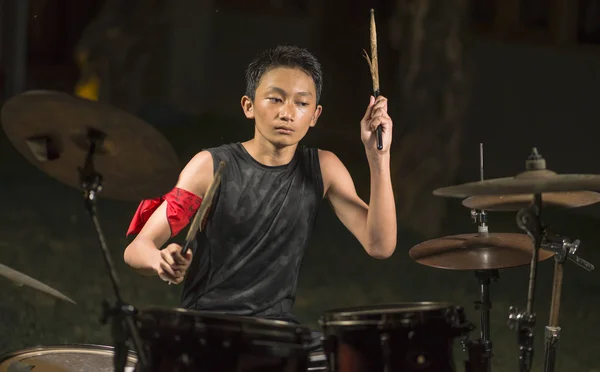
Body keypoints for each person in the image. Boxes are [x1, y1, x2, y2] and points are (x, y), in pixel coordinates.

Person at [123, 45, 397, 326]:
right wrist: (160, 261)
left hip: (275, 332)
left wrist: (378, 156)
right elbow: (137, 249)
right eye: (276, 99)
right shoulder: (211, 165)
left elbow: (380, 246)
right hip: (205, 327)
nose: (288, 113)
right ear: (249, 106)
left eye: (302, 103)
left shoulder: (323, 168)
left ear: (315, 115)